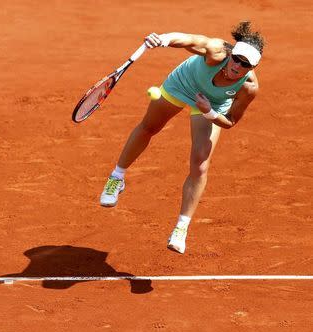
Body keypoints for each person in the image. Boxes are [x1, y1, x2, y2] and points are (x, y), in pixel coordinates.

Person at [99, 21, 265, 254]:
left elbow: (230, 122)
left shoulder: (248, 87)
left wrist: (209, 111)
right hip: (182, 84)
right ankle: (117, 177)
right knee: (149, 127)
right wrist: (163, 39)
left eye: (245, 64)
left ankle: (181, 227)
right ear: (232, 53)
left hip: (212, 104)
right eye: (237, 58)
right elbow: (188, 39)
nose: (237, 65)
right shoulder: (217, 50)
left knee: (200, 163)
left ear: (252, 67)